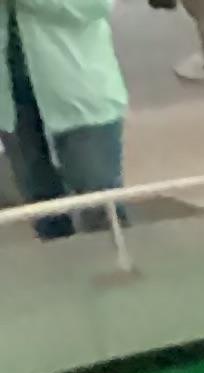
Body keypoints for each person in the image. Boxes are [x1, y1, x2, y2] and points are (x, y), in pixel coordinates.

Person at [1, 0, 126, 242]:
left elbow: (96, 5)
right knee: (42, 208)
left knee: (100, 204)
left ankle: (112, 261)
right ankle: (62, 263)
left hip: (79, 92)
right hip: (10, 101)